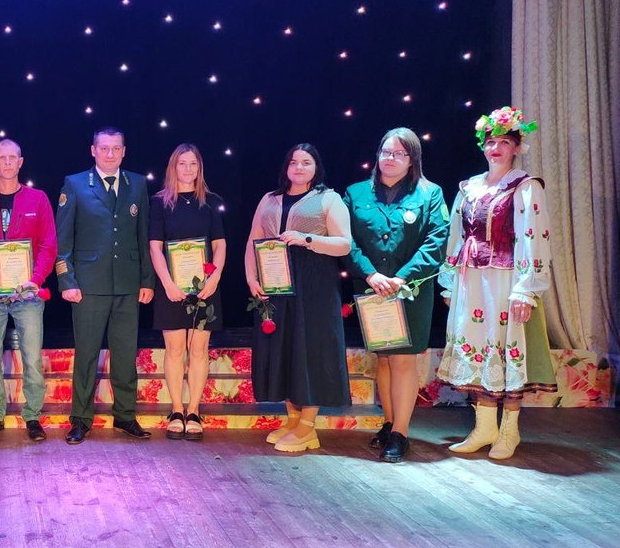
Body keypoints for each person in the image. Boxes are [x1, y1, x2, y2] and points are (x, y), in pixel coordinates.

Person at [437, 107, 554, 460]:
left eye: (504, 142)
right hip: (472, 279)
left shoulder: (525, 187)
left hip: (505, 279)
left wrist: (525, 289)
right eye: (491, 143)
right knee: (478, 346)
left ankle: (509, 430)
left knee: (506, 347)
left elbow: (533, 237)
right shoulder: (469, 188)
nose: (496, 149)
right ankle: (484, 427)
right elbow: (456, 236)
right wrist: (449, 281)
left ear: (516, 147)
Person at [343, 128, 448, 463]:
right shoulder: (356, 193)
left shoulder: (430, 193)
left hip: (411, 291)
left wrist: (401, 277)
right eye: (386, 152)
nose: (390, 159)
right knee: (384, 358)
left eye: (399, 154)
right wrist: (370, 274)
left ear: (412, 160)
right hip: (371, 289)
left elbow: (436, 241)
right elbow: (345, 240)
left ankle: (401, 433)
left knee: (403, 359)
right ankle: (389, 423)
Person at [244, 143, 352, 453]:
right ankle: (292, 419)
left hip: (314, 285)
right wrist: (252, 278)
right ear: (286, 167)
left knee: (310, 348)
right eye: (294, 162)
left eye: (306, 162)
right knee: (285, 347)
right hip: (275, 283)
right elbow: (253, 240)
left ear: (316, 167)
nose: (299, 168)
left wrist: (306, 239)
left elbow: (344, 244)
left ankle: (308, 426)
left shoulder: (328, 199)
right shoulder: (269, 198)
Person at [55, 127, 155, 445]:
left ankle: (125, 415)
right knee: (86, 355)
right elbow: (62, 239)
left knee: (125, 355)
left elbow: (143, 235)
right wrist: (66, 280)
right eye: (104, 148)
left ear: (124, 151)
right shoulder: (75, 184)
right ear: (93, 150)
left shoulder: (137, 183)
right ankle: (80, 419)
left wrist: (147, 280)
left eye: (116, 148)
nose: (110, 154)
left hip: (127, 283)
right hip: (88, 286)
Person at [0, 139, 57, 443]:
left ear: (20, 163)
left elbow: (49, 245)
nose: (7, 162)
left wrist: (36, 278)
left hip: (28, 293)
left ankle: (32, 415)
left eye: (13, 158)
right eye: (2, 158)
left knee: (32, 358)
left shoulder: (38, 199)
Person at [148, 144, 226, 441]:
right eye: (182, 163)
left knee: (199, 350)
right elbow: (155, 247)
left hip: (205, 288)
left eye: (193, 163)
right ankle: (177, 410)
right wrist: (167, 283)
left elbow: (219, 244)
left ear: (199, 167)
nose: (188, 169)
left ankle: (194, 411)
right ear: (173, 167)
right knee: (175, 350)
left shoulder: (211, 201)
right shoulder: (159, 203)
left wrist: (215, 278)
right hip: (171, 287)